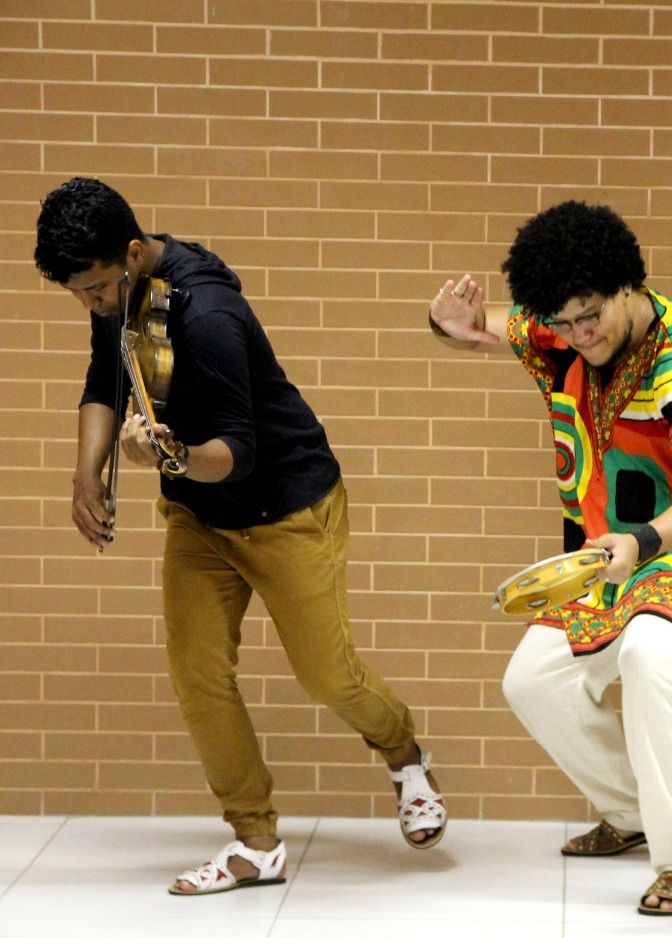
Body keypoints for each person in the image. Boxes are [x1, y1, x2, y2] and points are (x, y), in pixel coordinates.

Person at [35, 177, 446, 896]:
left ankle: (403, 753)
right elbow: (105, 376)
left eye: (97, 288)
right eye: (78, 294)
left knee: (326, 674)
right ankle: (256, 842)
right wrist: (85, 475)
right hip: (201, 515)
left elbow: (239, 451)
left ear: (133, 254)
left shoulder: (209, 315)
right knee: (197, 673)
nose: (91, 304)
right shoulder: (121, 292)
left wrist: (166, 458)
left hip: (285, 506)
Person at [428, 200, 672, 916]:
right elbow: (484, 327)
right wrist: (445, 323)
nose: (580, 336)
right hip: (607, 549)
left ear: (628, 286)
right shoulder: (566, 333)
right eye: (565, 324)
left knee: (646, 655)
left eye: (591, 317)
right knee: (532, 683)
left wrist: (642, 543)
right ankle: (631, 812)